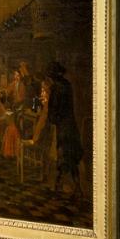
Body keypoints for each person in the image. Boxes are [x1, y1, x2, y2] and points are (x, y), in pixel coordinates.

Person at [45, 61, 84, 198]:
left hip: (62, 127)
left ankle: (57, 187)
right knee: (71, 158)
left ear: (53, 75)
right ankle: (76, 188)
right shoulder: (67, 85)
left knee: (62, 156)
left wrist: (51, 119)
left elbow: (54, 110)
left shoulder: (56, 88)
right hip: (71, 125)